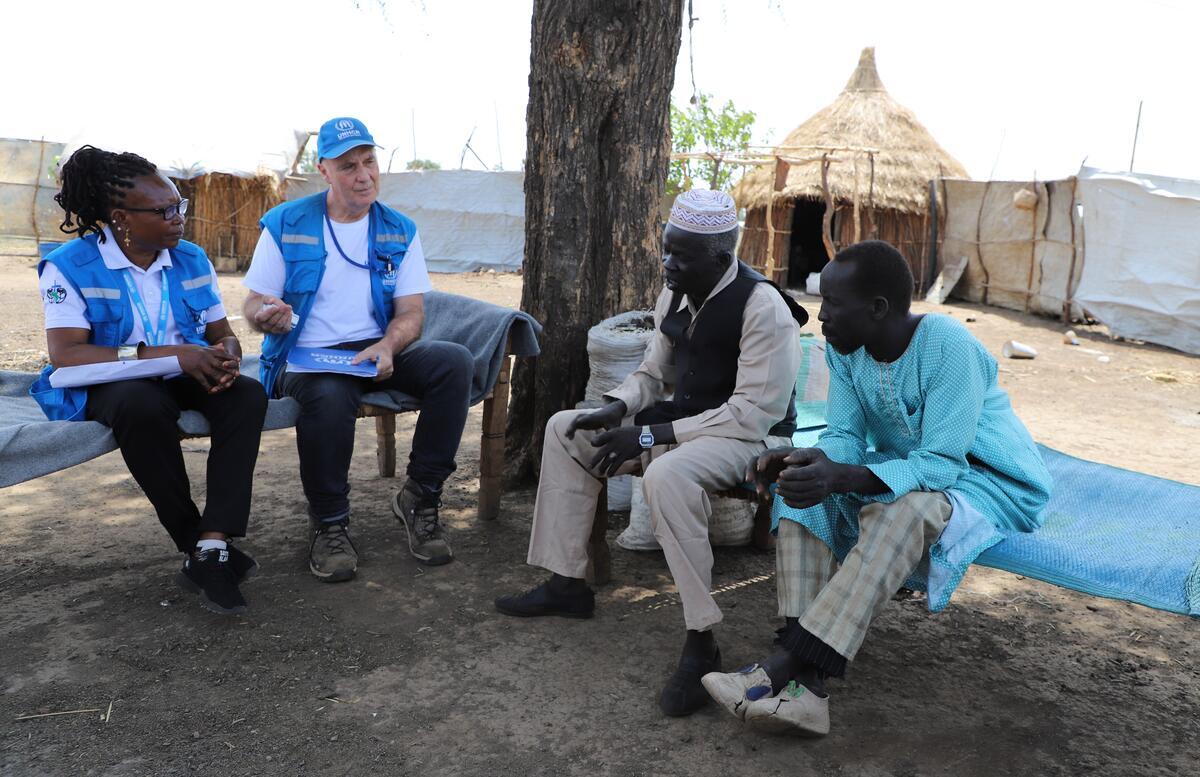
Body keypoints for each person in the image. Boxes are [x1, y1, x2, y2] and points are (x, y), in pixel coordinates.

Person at [701, 240, 1052, 736]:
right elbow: (844, 436)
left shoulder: (948, 347)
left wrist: (842, 475)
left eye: (834, 306)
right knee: (804, 498)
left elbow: (942, 463)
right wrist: (812, 462)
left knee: (904, 511)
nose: (821, 319)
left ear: (878, 308)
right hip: (907, 466)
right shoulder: (847, 349)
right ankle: (807, 694)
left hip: (987, 480)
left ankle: (779, 667)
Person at [494, 189, 809, 717]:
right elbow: (651, 375)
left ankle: (701, 636)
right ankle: (568, 582)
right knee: (564, 428)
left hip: (755, 440)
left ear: (720, 255)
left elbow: (753, 414)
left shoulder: (764, 309)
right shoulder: (675, 293)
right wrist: (617, 408)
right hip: (690, 427)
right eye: (666, 249)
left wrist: (648, 437)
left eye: (680, 254)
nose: (666, 263)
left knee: (667, 472)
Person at [32, 145, 268, 615]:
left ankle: (214, 541)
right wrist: (166, 354)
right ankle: (193, 541)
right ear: (121, 217)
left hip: (185, 369)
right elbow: (67, 354)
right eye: (164, 210)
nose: (178, 217)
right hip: (110, 378)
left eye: (178, 205)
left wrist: (227, 354)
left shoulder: (191, 259)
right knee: (140, 405)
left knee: (246, 395)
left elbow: (221, 332)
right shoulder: (70, 266)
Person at [242, 117, 472, 582]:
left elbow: (411, 313)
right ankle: (329, 523)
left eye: (369, 161)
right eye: (348, 166)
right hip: (304, 354)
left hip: (372, 350)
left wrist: (389, 344)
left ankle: (420, 496)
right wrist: (266, 314)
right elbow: (250, 305)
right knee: (329, 394)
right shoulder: (285, 223)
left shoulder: (398, 230)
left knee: (453, 362)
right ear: (324, 170)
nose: (363, 174)